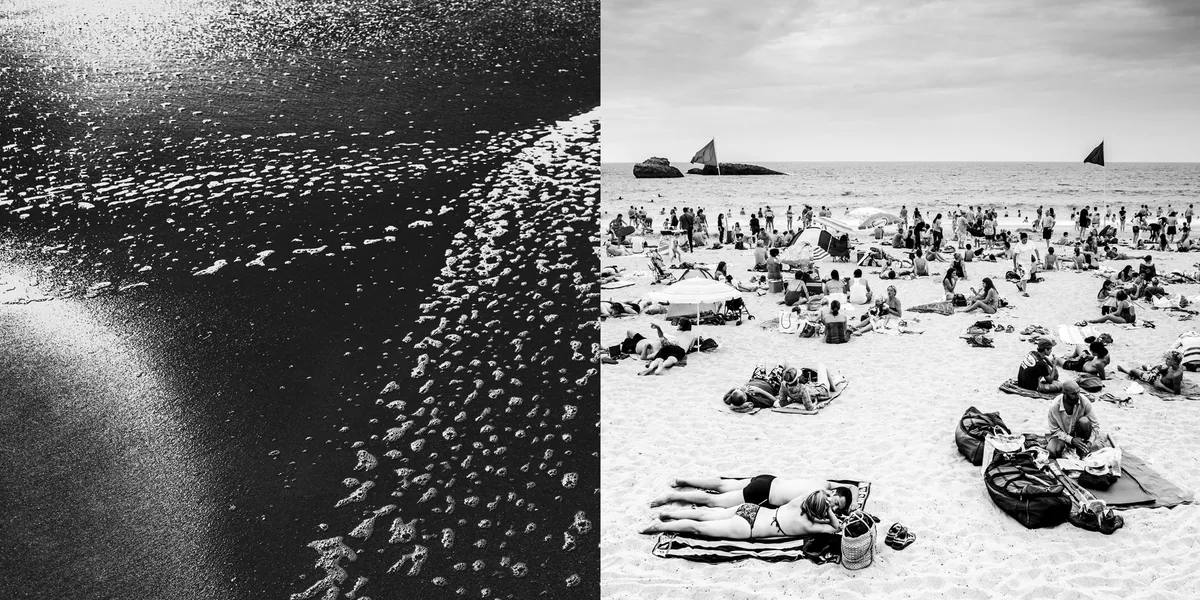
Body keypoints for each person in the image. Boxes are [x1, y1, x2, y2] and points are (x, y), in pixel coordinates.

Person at [639, 489, 844, 538]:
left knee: (704, 515)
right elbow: (835, 527)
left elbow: (815, 494)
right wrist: (828, 510)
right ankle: (661, 526)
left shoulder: (797, 503)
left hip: (751, 510)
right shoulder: (807, 526)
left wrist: (824, 498)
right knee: (699, 528)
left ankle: (669, 514)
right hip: (747, 527)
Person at [649, 476, 853, 511]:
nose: (833, 506)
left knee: (723, 485)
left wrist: (845, 498)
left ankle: (682, 481)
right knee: (714, 501)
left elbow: (845, 485)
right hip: (762, 493)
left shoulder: (824, 484)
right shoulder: (819, 498)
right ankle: (671, 497)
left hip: (769, 479)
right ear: (832, 494)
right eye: (836, 502)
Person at [722, 363, 839, 412]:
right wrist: (816, 402)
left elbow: (781, 402)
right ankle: (834, 388)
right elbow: (809, 407)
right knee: (822, 367)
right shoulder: (803, 388)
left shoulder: (784, 386)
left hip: (806, 391)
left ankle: (835, 382)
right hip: (822, 391)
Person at [1047, 380, 1103, 459]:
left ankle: (1081, 449)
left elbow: (1095, 426)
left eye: (1078, 392)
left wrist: (1089, 442)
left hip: (1081, 436)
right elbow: (1054, 431)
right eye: (1073, 394)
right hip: (1063, 437)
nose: (1077, 396)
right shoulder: (1054, 407)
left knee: (1084, 421)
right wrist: (1071, 440)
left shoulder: (1084, 402)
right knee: (1052, 451)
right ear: (1065, 393)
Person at [1118, 351, 1184, 395]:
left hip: (1154, 380)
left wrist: (1161, 386)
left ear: (1175, 362)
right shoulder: (1174, 366)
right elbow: (1167, 370)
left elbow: (1177, 392)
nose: (1166, 360)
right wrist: (1159, 369)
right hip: (1159, 375)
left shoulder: (1177, 374)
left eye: (1168, 359)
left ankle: (1126, 371)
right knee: (1144, 366)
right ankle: (1146, 370)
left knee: (1133, 371)